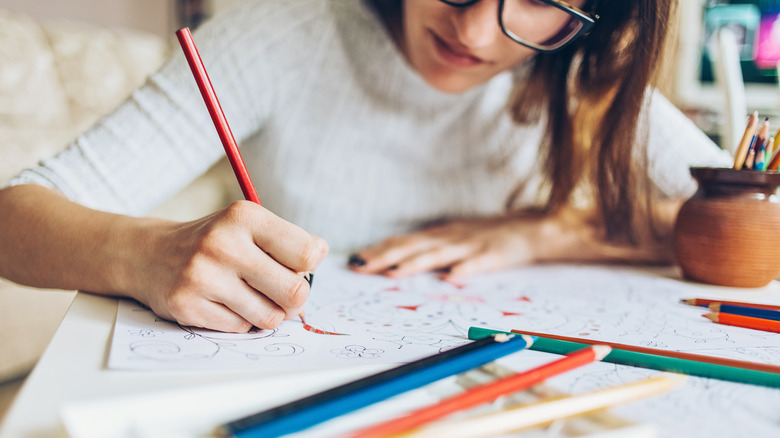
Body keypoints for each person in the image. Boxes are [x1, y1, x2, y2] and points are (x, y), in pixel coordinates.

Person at [0, 0, 731, 333]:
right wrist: (148, 253)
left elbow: (763, 223)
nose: (474, 30)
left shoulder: (577, 74)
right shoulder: (285, 34)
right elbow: (14, 215)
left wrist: (546, 231)